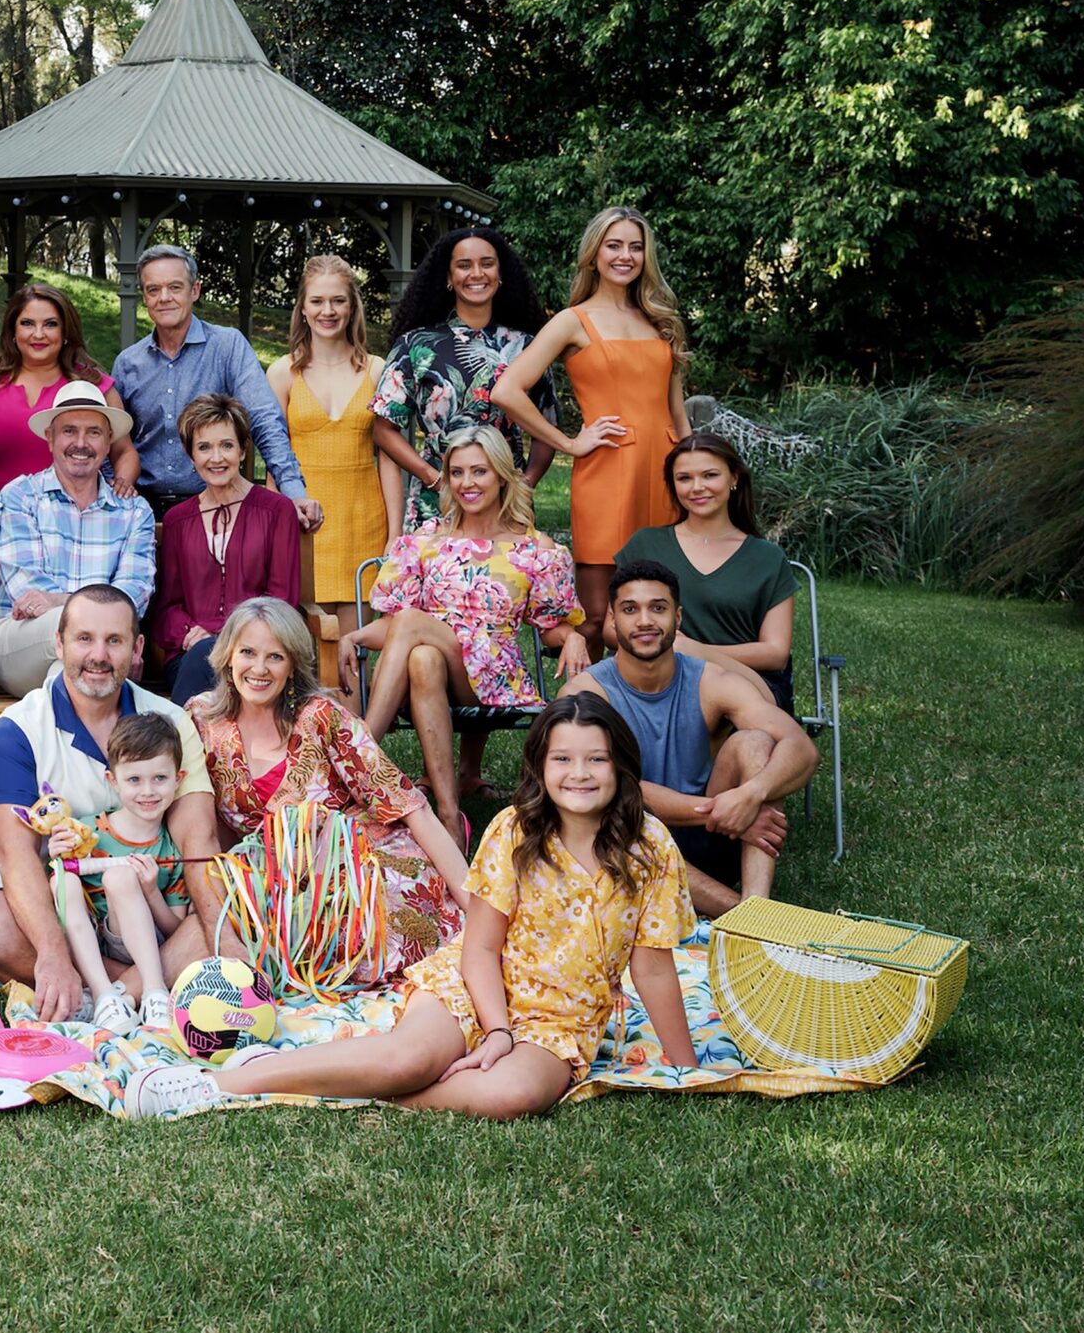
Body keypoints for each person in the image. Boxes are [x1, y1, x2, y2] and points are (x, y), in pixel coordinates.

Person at [126, 695, 698, 1120]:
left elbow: (651, 967)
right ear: (541, 768)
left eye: (595, 760)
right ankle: (224, 1084)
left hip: (559, 1020)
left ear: (621, 766)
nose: (579, 774)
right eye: (563, 760)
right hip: (480, 982)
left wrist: (687, 1065)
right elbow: (479, 947)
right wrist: (496, 1029)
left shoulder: (650, 850)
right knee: (411, 1057)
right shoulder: (515, 833)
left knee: (512, 1095)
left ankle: (353, 1088)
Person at [0, 584, 225, 1022]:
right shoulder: (18, 727)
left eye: (113, 640)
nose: (98, 655)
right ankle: (145, 987)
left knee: (227, 906)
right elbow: (14, 858)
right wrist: (52, 949)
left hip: (149, 914)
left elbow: (199, 842)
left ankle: (111, 995)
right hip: (57, 909)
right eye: (84, 639)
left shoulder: (170, 721)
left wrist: (218, 935)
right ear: (58, 644)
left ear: (136, 648)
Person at [189, 599, 468, 984]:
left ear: (291, 668)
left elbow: (410, 806)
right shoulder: (202, 720)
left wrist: (476, 905)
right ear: (227, 657)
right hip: (273, 880)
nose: (258, 669)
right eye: (248, 653)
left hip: (361, 859)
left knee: (365, 931)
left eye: (275, 657)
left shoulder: (321, 716)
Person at [348, 426, 589, 832]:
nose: (467, 483)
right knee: (422, 657)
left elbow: (551, 625)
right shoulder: (426, 540)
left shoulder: (534, 548)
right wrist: (353, 638)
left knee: (412, 625)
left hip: (493, 676)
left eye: (479, 471)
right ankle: (448, 813)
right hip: (435, 668)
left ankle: (360, 755)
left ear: (500, 475)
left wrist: (575, 634)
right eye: (457, 472)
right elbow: (393, 629)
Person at [568, 561, 818, 918]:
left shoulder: (712, 681)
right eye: (629, 609)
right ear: (612, 620)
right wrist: (720, 811)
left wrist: (751, 795)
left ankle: (757, 901)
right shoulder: (587, 693)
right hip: (626, 838)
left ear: (678, 617)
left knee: (755, 744)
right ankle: (748, 918)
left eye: (658, 608)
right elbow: (614, 790)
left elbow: (801, 748)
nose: (644, 621)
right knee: (602, 814)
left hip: (714, 837)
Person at [493, 205, 690, 639]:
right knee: (598, 616)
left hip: (665, 470)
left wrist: (694, 474)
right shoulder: (572, 320)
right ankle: (584, 705)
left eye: (635, 247)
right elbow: (507, 391)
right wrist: (569, 443)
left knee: (661, 608)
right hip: (609, 470)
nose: (625, 256)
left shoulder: (661, 320)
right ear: (594, 254)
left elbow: (677, 411)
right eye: (614, 245)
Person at [110, 244, 317, 529]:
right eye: (153, 289)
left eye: (175, 287)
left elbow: (264, 420)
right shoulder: (127, 363)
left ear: (195, 290)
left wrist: (293, 490)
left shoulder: (227, 346)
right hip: (143, 514)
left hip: (217, 510)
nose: (164, 298)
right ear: (144, 296)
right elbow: (112, 442)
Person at [370, 225, 554, 538]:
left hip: (507, 507)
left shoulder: (528, 347)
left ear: (501, 273)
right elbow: (383, 429)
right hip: (435, 504)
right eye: (464, 265)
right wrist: (433, 478)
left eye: (487, 263)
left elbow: (547, 430)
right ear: (448, 277)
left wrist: (524, 486)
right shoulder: (415, 345)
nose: (476, 273)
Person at [0, 381, 157, 697]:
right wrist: (92, 616)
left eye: (93, 432)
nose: (81, 443)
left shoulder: (133, 511)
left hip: (95, 655)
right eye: (69, 431)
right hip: (22, 642)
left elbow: (135, 592)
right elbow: (28, 590)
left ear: (108, 442)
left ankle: (62, 745)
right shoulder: (20, 497)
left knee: (67, 672)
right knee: (73, 638)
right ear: (50, 438)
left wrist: (60, 599)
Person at [36, 712, 193, 1032]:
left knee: (119, 877)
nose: (147, 791)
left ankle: (154, 992)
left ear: (178, 779)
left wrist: (150, 892)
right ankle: (104, 996)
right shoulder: (87, 831)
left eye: (159, 779)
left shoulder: (171, 849)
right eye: (134, 780)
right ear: (113, 781)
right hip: (87, 940)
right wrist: (55, 858)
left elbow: (177, 930)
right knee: (63, 879)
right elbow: (55, 884)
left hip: (142, 943)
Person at [614, 433, 798, 705]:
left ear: (734, 478)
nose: (697, 487)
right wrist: (659, 646)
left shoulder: (767, 557)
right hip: (653, 673)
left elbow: (775, 653)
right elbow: (610, 627)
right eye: (684, 478)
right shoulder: (646, 544)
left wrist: (695, 651)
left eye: (710, 475)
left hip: (744, 681)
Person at [150, 395, 302, 702]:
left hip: (260, 653)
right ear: (190, 455)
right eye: (204, 447)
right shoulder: (178, 520)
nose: (216, 458)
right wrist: (190, 634)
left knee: (211, 655)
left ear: (243, 450)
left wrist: (223, 639)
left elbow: (281, 600)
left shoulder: (277, 511)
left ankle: (178, 744)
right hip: (190, 653)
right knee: (203, 658)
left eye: (227, 446)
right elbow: (166, 609)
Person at [268, 255, 390, 618]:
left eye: (338, 300)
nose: (328, 310)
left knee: (355, 659)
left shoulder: (377, 370)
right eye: (317, 301)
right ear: (302, 308)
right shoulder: (282, 373)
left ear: (352, 307)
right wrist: (277, 530)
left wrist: (395, 535)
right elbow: (275, 458)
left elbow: (388, 457)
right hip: (304, 526)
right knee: (306, 654)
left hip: (364, 522)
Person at [0, 283, 136, 494]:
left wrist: (122, 484)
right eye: (27, 323)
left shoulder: (95, 388)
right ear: (13, 330)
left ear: (66, 331)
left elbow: (125, 452)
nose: (38, 334)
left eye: (50, 324)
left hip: (75, 516)